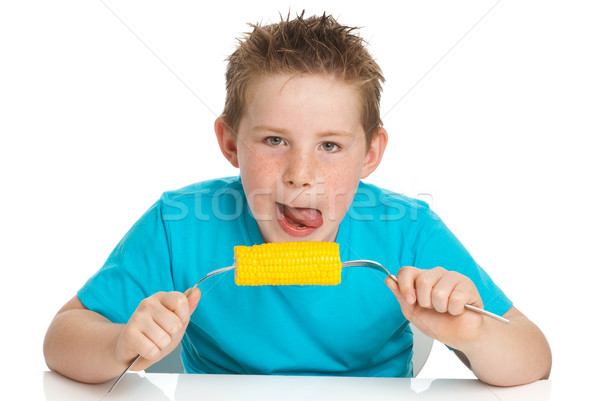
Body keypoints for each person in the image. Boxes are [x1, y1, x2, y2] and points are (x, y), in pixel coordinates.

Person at [43, 12, 551, 386]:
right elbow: (63, 337)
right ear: (229, 143)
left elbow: (534, 358)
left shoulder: (407, 229)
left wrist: (474, 335)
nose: (301, 175)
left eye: (330, 146)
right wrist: (119, 344)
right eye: (273, 141)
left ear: (371, 153)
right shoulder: (181, 224)